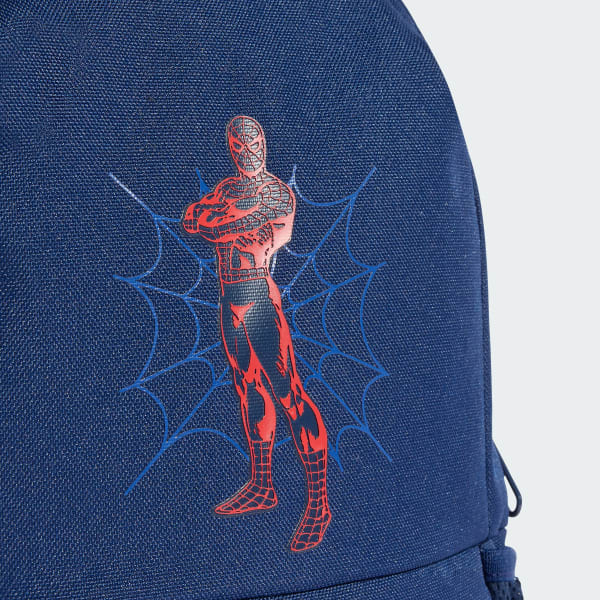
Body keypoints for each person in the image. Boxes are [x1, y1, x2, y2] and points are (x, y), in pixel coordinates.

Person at [182, 115, 331, 552]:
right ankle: (263, 485)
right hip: (229, 300)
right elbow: (192, 219)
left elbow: (221, 227)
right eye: (240, 146)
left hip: (260, 299)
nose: (249, 153)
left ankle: (319, 504)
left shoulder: (277, 193)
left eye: (255, 144)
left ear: (265, 144)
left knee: (289, 393)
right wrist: (225, 219)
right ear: (232, 149)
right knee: (249, 388)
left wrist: (219, 219)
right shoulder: (229, 188)